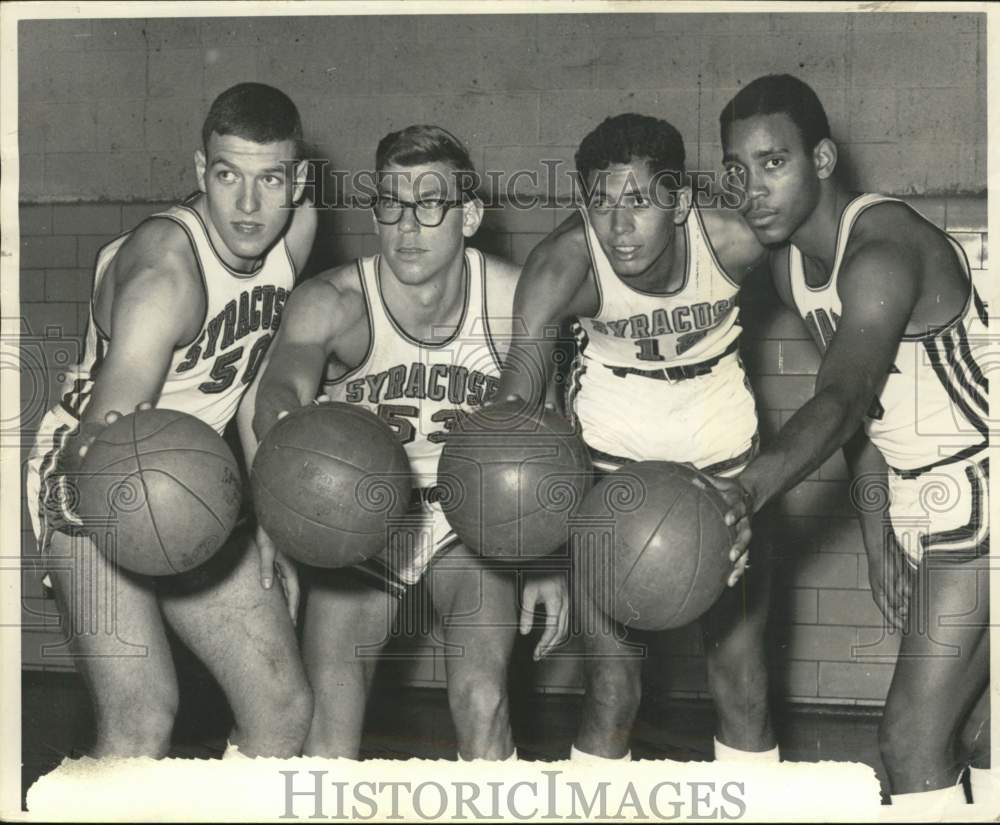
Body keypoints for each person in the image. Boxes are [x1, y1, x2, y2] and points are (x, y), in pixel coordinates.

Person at [714, 74, 991, 813]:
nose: (754, 189)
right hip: (928, 487)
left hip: (986, 480)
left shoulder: (881, 248)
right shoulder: (791, 264)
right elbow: (866, 414)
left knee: (909, 741)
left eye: (775, 162)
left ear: (825, 160)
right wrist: (876, 534)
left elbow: (838, 400)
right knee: (978, 734)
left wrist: (745, 488)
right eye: (737, 171)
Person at [252, 124, 569, 760]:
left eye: (429, 204)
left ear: (470, 215)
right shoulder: (334, 301)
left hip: (471, 515)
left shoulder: (516, 301)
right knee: (328, 729)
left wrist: (547, 559)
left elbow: (547, 442)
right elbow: (278, 394)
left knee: (484, 699)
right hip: (363, 511)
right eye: (391, 204)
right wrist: (284, 499)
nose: (407, 226)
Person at [25, 83, 317, 758]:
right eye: (226, 175)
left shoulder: (298, 231)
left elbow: (252, 382)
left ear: (298, 181)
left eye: (269, 178)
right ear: (198, 172)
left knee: (282, 707)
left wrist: (270, 510)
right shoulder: (167, 276)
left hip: (195, 473)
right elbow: (110, 421)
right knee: (143, 716)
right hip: (93, 468)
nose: (247, 205)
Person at [496, 112, 777, 763]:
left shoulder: (738, 239)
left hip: (725, 470)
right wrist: (534, 546)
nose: (618, 227)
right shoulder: (563, 267)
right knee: (613, 688)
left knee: (744, 685)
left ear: (678, 202)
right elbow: (518, 397)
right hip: (610, 473)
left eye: (639, 201)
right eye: (600, 202)